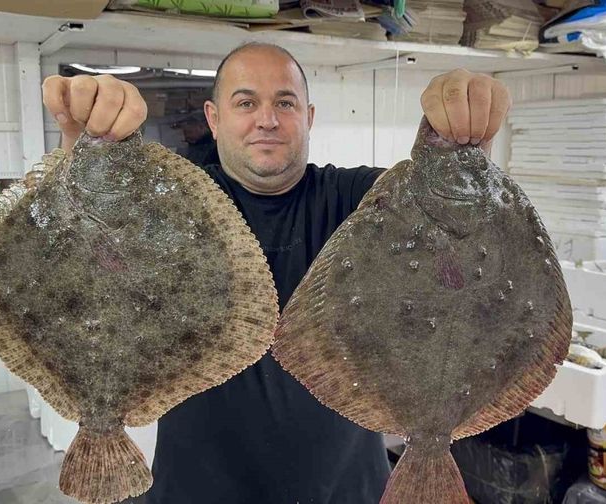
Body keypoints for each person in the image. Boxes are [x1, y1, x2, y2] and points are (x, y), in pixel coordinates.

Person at [42, 42, 511, 504]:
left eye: (284, 103)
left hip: (349, 491)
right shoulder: (168, 203)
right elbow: (72, 248)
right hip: (196, 491)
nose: (267, 118)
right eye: (246, 102)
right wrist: (80, 141)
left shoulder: (369, 202)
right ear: (213, 117)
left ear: (307, 117)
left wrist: (467, 139)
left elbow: (463, 234)